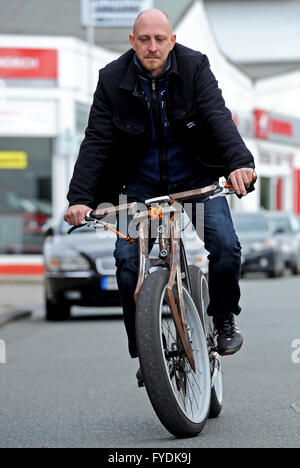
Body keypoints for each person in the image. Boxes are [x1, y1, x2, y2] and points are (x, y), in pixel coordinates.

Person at [65, 9, 255, 384]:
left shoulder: (194, 67)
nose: (153, 46)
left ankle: (223, 318)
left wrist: (238, 163)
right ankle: (146, 347)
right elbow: (98, 140)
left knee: (226, 246)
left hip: (195, 180)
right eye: (144, 39)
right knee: (126, 261)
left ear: (172, 40)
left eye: (160, 39)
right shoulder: (111, 79)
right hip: (139, 188)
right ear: (132, 42)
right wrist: (80, 197)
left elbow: (217, 116)